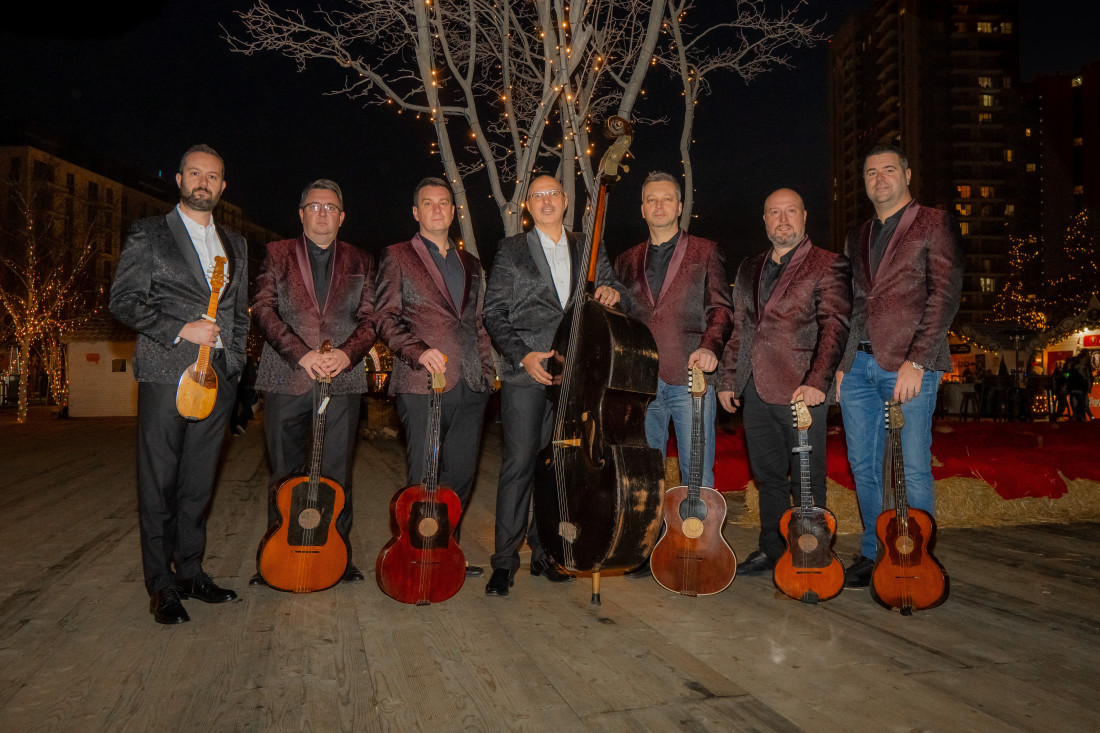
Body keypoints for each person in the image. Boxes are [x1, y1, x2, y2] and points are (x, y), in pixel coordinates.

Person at [109, 144, 249, 624]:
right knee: (159, 484)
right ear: (179, 179)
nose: (202, 182)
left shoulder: (236, 243)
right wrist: (180, 328)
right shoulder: (149, 233)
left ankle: (190, 571)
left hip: (217, 378)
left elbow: (239, 313)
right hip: (165, 372)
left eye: (212, 176)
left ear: (222, 186)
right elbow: (123, 301)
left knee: (197, 484)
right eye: (194, 173)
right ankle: (161, 585)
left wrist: (234, 365)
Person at [481, 174, 626, 596]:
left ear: (565, 201)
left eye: (553, 194)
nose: (546, 201)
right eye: (537, 196)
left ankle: (545, 553)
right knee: (519, 465)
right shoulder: (511, 250)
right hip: (527, 374)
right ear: (528, 206)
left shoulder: (589, 246)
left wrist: (613, 293)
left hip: (574, 376)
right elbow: (493, 312)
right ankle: (504, 561)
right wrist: (522, 355)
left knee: (558, 467)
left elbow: (614, 286)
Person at [836, 144, 963, 588]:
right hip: (858, 366)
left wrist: (917, 360)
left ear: (907, 175)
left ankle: (915, 556)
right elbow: (854, 303)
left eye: (889, 169)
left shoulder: (934, 222)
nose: (880, 178)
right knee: (863, 465)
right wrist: (843, 363)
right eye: (871, 172)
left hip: (909, 365)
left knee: (911, 465)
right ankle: (876, 552)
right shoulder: (857, 236)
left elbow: (944, 294)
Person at [717, 188, 851, 575]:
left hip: (802, 391)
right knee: (769, 478)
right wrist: (727, 379)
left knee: (808, 480)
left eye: (790, 211)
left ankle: (812, 554)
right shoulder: (749, 267)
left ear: (805, 216)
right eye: (774, 212)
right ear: (764, 220)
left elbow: (834, 327)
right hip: (755, 390)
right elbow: (740, 328)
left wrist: (818, 382)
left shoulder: (828, 263)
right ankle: (772, 550)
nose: (783, 219)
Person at [250, 180, 377, 583]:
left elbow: (372, 318)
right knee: (284, 475)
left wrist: (347, 353)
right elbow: (263, 309)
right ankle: (275, 558)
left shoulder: (362, 260)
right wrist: (301, 354)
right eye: (315, 206)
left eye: (331, 207)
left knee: (337, 474)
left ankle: (338, 557)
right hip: (286, 377)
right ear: (301, 213)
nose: (323, 212)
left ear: (342, 217)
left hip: (343, 380)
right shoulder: (276, 253)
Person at [614, 171, 734, 578]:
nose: (659, 205)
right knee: (646, 472)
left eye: (667, 199)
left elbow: (721, 308)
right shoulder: (626, 260)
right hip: (642, 384)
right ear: (642, 208)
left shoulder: (705, 251)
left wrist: (710, 346)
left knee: (695, 471)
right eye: (652, 199)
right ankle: (648, 550)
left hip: (691, 379)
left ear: (680, 206)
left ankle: (697, 549)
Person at [374, 177, 496, 578]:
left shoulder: (471, 263)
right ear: (416, 212)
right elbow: (384, 317)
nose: (437, 209)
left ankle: (444, 550)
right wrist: (417, 351)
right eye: (428, 203)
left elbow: (478, 322)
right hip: (422, 383)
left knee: (460, 475)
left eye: (444, 202)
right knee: (424, 477)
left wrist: (487, 372)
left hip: (471, 384)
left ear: (453, 210)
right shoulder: (396, 255)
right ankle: (415, 557)